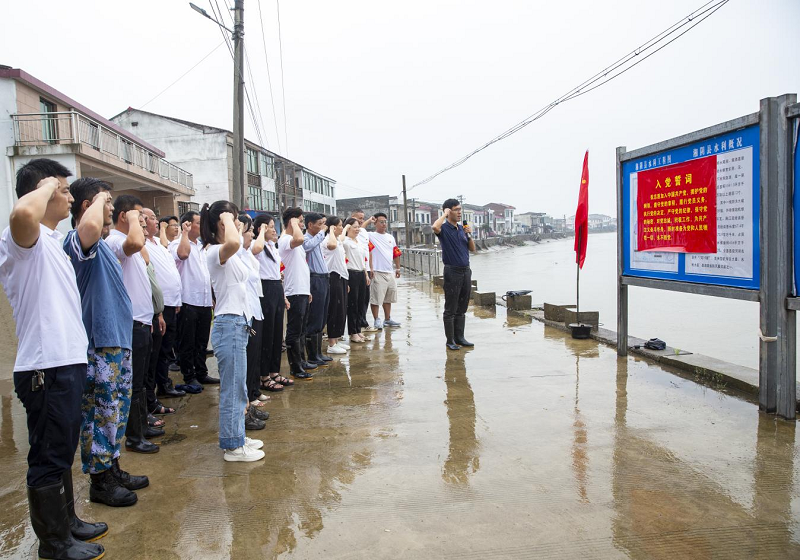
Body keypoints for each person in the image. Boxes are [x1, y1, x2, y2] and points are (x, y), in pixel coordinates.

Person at [0, 159, 106, 559]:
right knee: (47, 455)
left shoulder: (51, 242)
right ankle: (53, 543)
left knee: (61, 451)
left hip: (66, 362)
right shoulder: (20, 241)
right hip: (45, 366)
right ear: (41, 190)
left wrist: (52, 186)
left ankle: (69, 524)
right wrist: (46, 185)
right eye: (62, 189)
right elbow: (23, 211)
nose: (67, 195)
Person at [65, 178, 149, 508]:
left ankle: (112, 467)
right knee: (100, 413)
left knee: (115, 411)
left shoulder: (103, 247)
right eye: (106, 202)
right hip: (100, 341)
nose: (112, 208)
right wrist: (99, 199)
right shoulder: (77, 242)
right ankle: (100, 481)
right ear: (89, 206)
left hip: (117, 340)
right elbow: (87, 228)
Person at [200, 201, 265, 462]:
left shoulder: (232, 252)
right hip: (229, 324)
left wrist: (231, 222)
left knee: (239, 387)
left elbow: (242, 250)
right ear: (221, 223)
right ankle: (232, 446)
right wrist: (228, 218)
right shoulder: (215, 251)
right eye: (235, 219)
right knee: (233, 389)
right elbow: (234, 243)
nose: (239, 223)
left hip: (237, 324)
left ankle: (237, 435)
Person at [105, 195, 160, 455]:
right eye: (139, 216)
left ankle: (142, 427)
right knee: (133, 384)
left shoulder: (133, 244)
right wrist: (132, 221)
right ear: (124, 215)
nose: (143, 222)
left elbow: (145, 256)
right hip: (131, 322)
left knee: (139, 381)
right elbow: (137, 241)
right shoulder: (117, 240)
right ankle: (134, 437)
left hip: (142, 321)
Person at [170, 211, 218, 391]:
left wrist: (212, 297)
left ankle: (201, 372)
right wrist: (183, 233)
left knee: (201, 341)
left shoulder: (201, 246)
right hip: (188, 300)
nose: (202, 225)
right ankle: (189, 376)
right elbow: (182, 255)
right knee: (187, 343)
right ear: (188, 224)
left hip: (204, 301)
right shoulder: (178, 243)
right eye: (198, 223)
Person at [142, 209, 185, 400]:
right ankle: (152, 393)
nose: (155, 221)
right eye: (150, 218)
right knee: (156, 352)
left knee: (166, 350)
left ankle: (164, 383)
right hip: (158, 307)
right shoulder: (142, 244)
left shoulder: (158, 243)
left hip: (170, 303)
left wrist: (176, 299)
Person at [252, 214, 293, 391]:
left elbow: (277, 273)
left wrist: (283, 296)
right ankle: (264, 375)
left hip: (276, 287)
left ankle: (274, 371)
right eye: (269, 226)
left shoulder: (272, 247)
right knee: (267, 334)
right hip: (265, 289)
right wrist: (260, 232)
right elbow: (255, 249)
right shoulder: (258, 245)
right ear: (261, 228)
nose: (273, 229)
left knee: (277, 334)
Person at [432, 199, 477, 350]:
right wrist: (444, 214)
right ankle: (450, 340)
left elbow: (473, 249)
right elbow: (435, 227)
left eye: (460, 210)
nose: (459, 212)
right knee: (451, 307)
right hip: (452, 271)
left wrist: (469, 234)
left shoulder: (461, 229)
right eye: (456, 209)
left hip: (466, 271)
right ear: (448, 211)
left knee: (462, 306)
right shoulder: (444, 229)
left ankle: (460, 337)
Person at [237, 213, 268, 431]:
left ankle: (250, 400)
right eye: (249, 231)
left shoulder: (246, 254)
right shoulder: (234, 252)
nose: (252, 234)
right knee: (244, 363)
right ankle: (244, 408)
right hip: (242, 313)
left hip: (253, 309)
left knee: (253, 359)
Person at [278, 207, 316, 379]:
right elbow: (299, 238)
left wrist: (307, 290)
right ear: (292, 222)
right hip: (293, 291)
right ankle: (295, 367)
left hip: (302, 290)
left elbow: (301, 267)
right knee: (294, 330)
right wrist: (294, 224)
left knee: (301, 329)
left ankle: (302, 360)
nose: (302, 224)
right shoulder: (286, 239)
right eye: (300, 221)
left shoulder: (294, 240)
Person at [303, 212, 333, 366]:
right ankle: (312, 355)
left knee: (322, 316)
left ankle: (319, 352)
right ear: (310, 225)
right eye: (319, 224)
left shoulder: (317, 239)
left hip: (323, 278)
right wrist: (322, 233)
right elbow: (307, 247)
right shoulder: (307, 239)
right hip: (314, 279)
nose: (323, 227)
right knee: (315, 317)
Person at [368, 213, 402, 329]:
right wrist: (369, 220)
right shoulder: (370, 235)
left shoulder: (390, 237)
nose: (384, 224)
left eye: (385, 222)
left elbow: (396, 253)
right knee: (376, 298)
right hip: (377, 271)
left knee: (389, 297)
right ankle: (376, 319)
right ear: (375, 223)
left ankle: (387, 319)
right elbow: (360, 229)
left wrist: (397, 268)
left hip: (389, 271)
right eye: (381, 222)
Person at [321, 216, 349, 354]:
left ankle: (336, 340)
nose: (342, 228)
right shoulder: (328, 240)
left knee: (341, 310)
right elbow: (331, 246)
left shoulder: (337, 240)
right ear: (332, 227)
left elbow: (341, 239)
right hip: (333, 277)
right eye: (339, 225)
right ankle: (331, 343)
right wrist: (330, 230)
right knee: (334, 310)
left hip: (341, 277)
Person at [343, 218, 372, 344]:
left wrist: (365, 274)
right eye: (354, 227)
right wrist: (344, 229)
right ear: (348, 228)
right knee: (352, 305)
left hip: (361, 273)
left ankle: (358, 330)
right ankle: (352, 332)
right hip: (351, 274)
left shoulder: (358, 241)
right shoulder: (345, 242)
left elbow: (362, 260)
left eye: (358, 227)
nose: (357, 229)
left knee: (361, 304)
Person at [351, 210, 377, 332]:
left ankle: (362, 322)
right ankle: (357, 326)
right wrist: (367, 221)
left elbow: (369, 251)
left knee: (365, 298)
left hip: (365, 269)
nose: (361, 221)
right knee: (356, 301)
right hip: (356, 270)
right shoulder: (350, 236)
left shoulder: (364, 232)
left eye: (363, 218)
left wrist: (370, 268)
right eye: (359, 218)